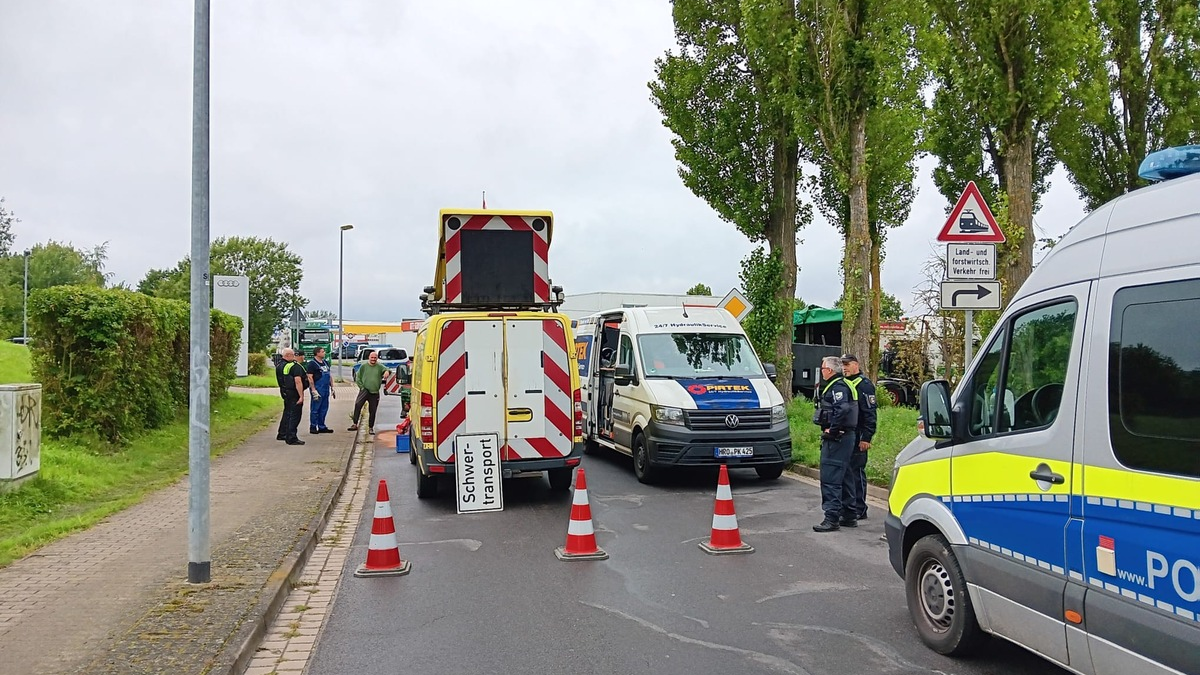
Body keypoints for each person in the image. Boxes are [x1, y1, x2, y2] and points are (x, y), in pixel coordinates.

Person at [812, 355, 858, 532]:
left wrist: (832, 430)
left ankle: (831, 519)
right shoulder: (845, 384)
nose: (822, 371)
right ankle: (849, 515)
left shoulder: (837, 387)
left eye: (823, 368)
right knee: (845, 476)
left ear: (829, 370)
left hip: (838, 438)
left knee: (830, 477)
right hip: (847, 436)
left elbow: (843, 408)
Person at [841, 353, 877, 521]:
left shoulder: (864, 385)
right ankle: (848, 506)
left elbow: (870, 414)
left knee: (856, 472)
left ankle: (860, 508)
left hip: (859, 435)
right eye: (843, 365)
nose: (844, 368)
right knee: (846, 472)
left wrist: (866, 437)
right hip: (846, 435)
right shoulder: (844, 383)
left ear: (856, 365)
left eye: (847, 364)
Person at [348, 350, 385, 434]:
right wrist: (362, 387)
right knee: (358, 405)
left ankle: (371, 427)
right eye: (372, 357)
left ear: (377, 358)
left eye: (375, 358)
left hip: (374, 392)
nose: (373, 359)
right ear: (369, 358)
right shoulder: (364, 366)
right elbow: (358, 377)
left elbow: (387, 370)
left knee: (373, 410)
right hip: (364, 390)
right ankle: (355, 424)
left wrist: (386, 372)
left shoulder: (379, 366)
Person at [275, 348, 306, 446]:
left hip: (285, 391)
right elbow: (297, 381)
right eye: (293, 355)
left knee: (287, 413)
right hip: (293, 393)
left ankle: (283, 433)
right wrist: (301, 396)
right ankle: (291, 437)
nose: (294, 357)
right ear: (288, 355)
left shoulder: (279, 365)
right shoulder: (292, 366)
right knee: (294, 415)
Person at [307, 346, 335, 433]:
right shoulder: (312, 364)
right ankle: (313, 426)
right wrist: (313, 390)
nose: (324, 353)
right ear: (317, 353)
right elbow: (310, 377)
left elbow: (329, 375)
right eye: (322, 352)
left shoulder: (326, 363)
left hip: (326, 389)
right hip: (318, 388)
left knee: (324, 409)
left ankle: (322, 426)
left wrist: (332, 387)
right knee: (315, 409)